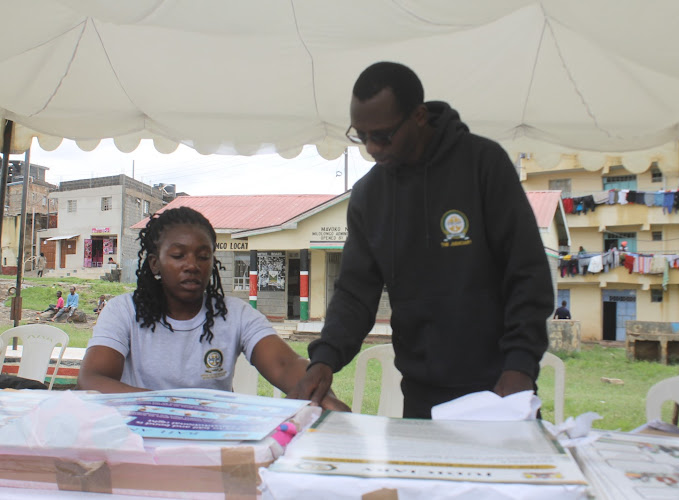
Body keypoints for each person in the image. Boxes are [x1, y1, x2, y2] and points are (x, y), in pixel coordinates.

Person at [289, 62, 553, 418]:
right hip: (421, 394)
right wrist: (324, 360)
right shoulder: (370, 195)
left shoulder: (483, 164)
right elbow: (355, 293)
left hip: (501, 387)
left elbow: (527, 273)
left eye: (382, 135)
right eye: (361, 135)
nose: (372, 148)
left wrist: (520, 365)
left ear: (418, 116)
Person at [76, 206, 348, 411]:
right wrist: (172, 408)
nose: (192, 265)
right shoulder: (123, 311)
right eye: (178, 255)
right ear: (154, 264)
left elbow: (286, 364)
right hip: (138, 440)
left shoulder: (235, 314)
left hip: (216, 442)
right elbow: (92, 378)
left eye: (203, 256)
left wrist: (320, 392)